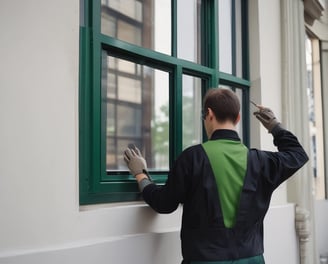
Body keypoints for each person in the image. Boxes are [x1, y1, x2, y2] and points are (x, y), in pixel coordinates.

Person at [123, 88, 309, 264]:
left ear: (209, 114)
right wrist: (274, 126)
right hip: (252, 259)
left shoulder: (192, 158)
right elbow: (298, 155)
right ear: (237, 118)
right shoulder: (262, 162)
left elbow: (163, 204)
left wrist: (141, 175)